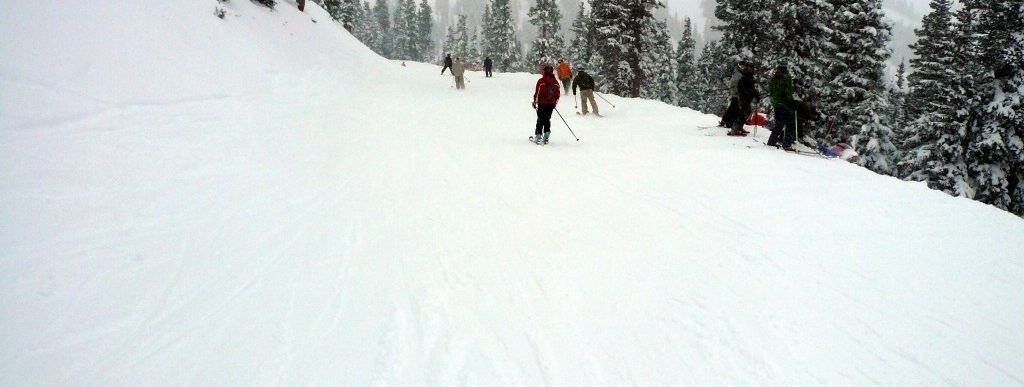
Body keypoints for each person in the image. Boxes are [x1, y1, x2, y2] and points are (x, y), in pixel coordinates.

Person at [767, 64, 796, 150]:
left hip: (776, 104)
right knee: (790, 124)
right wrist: (791, 102)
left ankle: (772, 141)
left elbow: (771, 91)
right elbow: (788, 91)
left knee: (779, 124)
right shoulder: (786, 77)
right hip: (784, 104)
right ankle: (787, 144)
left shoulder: (774, 78)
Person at [531, 64, 561, 144]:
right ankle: (546, 135)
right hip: (551, 104)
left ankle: (538, 136)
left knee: (540, 119)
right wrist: (554, 103)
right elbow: (558, 94)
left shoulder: (541, 81)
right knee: (547, 119)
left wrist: (535, 102)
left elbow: (538, 92)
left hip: (542, 103)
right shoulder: (555, 82)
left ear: (544, 71)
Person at [728, 62, 759, 136]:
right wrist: (750, 92)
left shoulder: (750, 76)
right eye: (749, 68)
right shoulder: (744, 77)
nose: (751, 69)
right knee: (743, 112)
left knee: (747, 112)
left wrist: (756, 94)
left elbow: (752, 88)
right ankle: (735, 128)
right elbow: (742, 88)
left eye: (752, 68)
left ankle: (739, 127)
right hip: (743, 97)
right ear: (746, 68)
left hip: (748, 97)